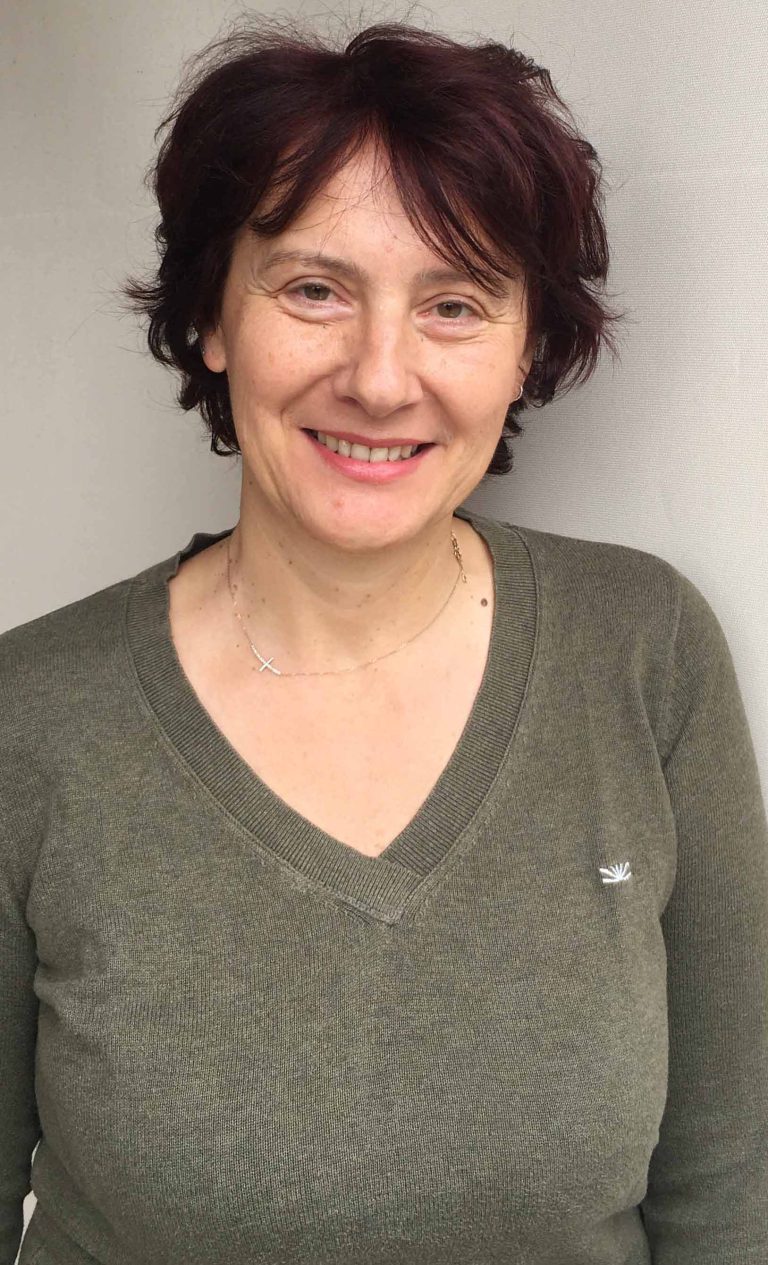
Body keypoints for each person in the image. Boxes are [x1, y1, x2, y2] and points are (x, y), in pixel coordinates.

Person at [2, 15, 766, 1265]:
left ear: (526, 348)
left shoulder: (646, 651)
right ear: (212, 315)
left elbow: (731, 1191)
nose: (379, 375)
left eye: (455, 304)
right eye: (315, 289)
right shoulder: (28, 721)